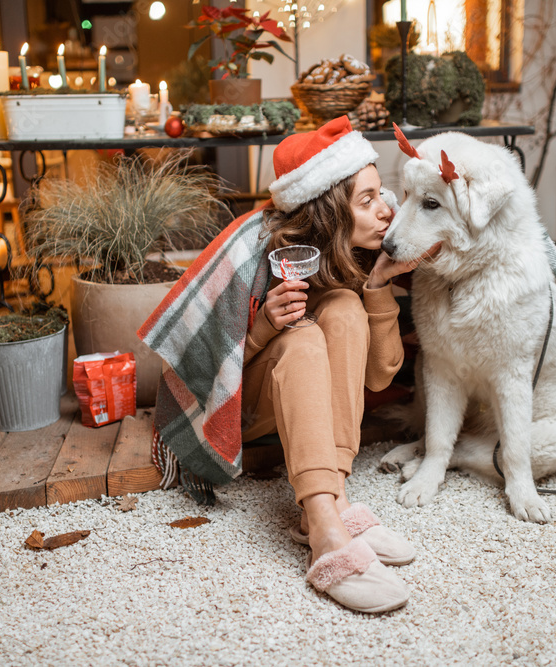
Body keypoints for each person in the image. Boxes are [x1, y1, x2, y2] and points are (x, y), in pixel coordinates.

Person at [139, 116, 419, 613]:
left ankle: (332, 503)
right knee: (303, 340)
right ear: (330, 212)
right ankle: (326, 530)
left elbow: (377, 376)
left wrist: (377, 287)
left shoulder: (351, 253)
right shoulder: (256, 249)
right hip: (238, 411)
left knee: (344, 307)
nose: (386, 211)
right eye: (367, 200)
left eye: (382, 194)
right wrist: (265, 326)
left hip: (305, 405)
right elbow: (207, 372)